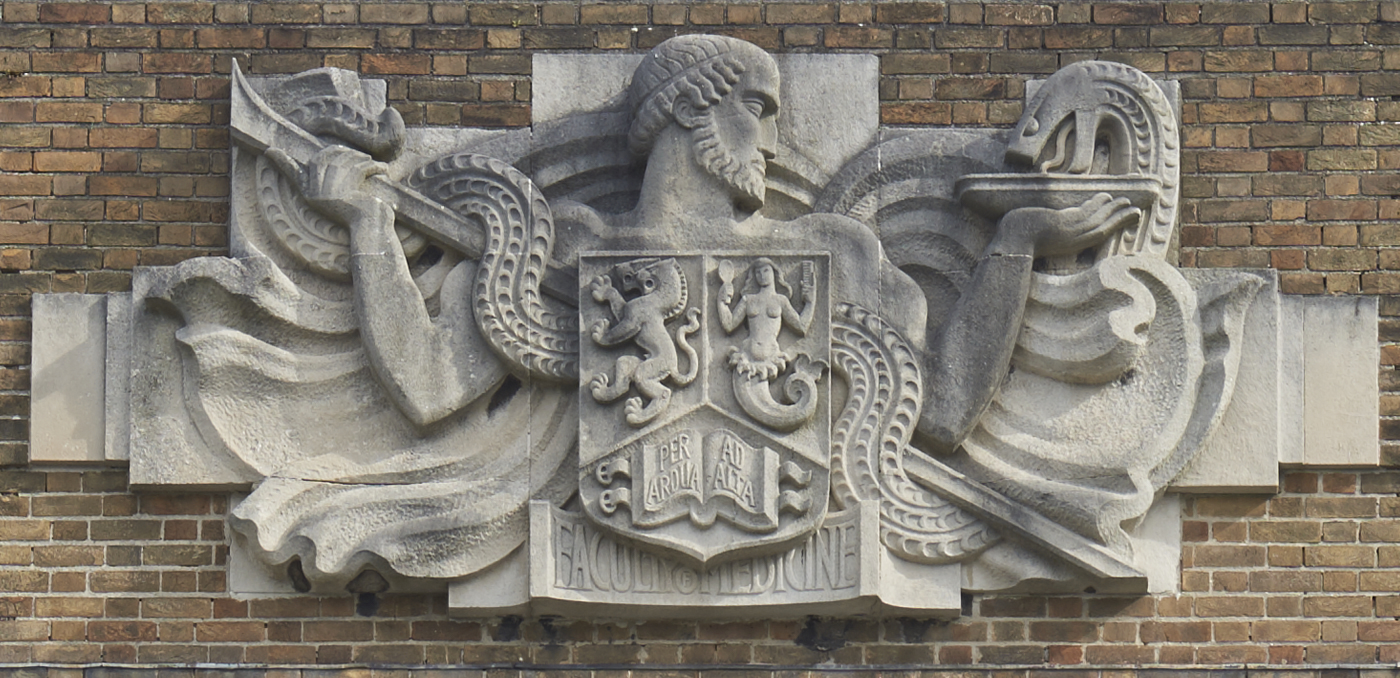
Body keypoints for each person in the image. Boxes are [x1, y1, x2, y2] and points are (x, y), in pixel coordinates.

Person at [277, 34, 1140, 456]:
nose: (774, 134)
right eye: (759, 109)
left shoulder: (833, 257)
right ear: (692, 108)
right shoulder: (564, 249)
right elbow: (427, 389)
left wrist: (1018, 242)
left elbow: (944, 410)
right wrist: (367, 231)